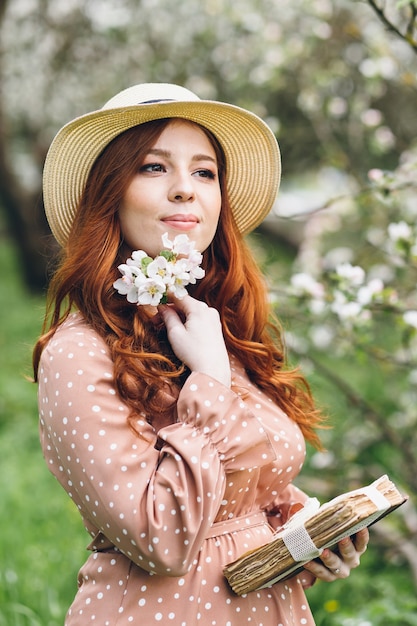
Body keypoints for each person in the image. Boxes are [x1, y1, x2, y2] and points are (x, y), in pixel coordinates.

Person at [33, 83, 369, 626]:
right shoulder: (78, 353)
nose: (186, 189)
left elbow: (246, 499)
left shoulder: (212, 331)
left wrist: (308, 530)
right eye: (153, 168)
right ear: (109, 195)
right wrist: (209, 381)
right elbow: (160, 539)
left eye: (205, 172)